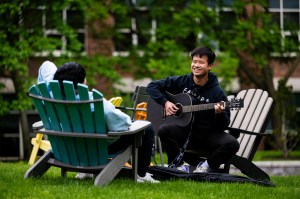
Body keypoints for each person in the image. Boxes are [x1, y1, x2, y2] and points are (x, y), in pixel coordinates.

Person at [53, 62, 159, 183]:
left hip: (73, 145)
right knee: (146, 128)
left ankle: (84, 171)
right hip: (100, 146)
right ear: (82, 82)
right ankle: (141, 174)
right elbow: (121, 125)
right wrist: (130, 122)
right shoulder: (94, 100)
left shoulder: (54, 101)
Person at [146, 46, 240, 173]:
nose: (196, 65)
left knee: (232, 144)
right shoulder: (182, 81)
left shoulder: (217, 92)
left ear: (210, 66)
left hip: (208, 136)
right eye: (194, 61)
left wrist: (219, 113)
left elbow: (224, 124)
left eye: (201, 62)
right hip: (185, 133)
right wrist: (166, 103)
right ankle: (177, 166)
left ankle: (206, 166)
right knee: (164, 129)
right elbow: (152, 86)